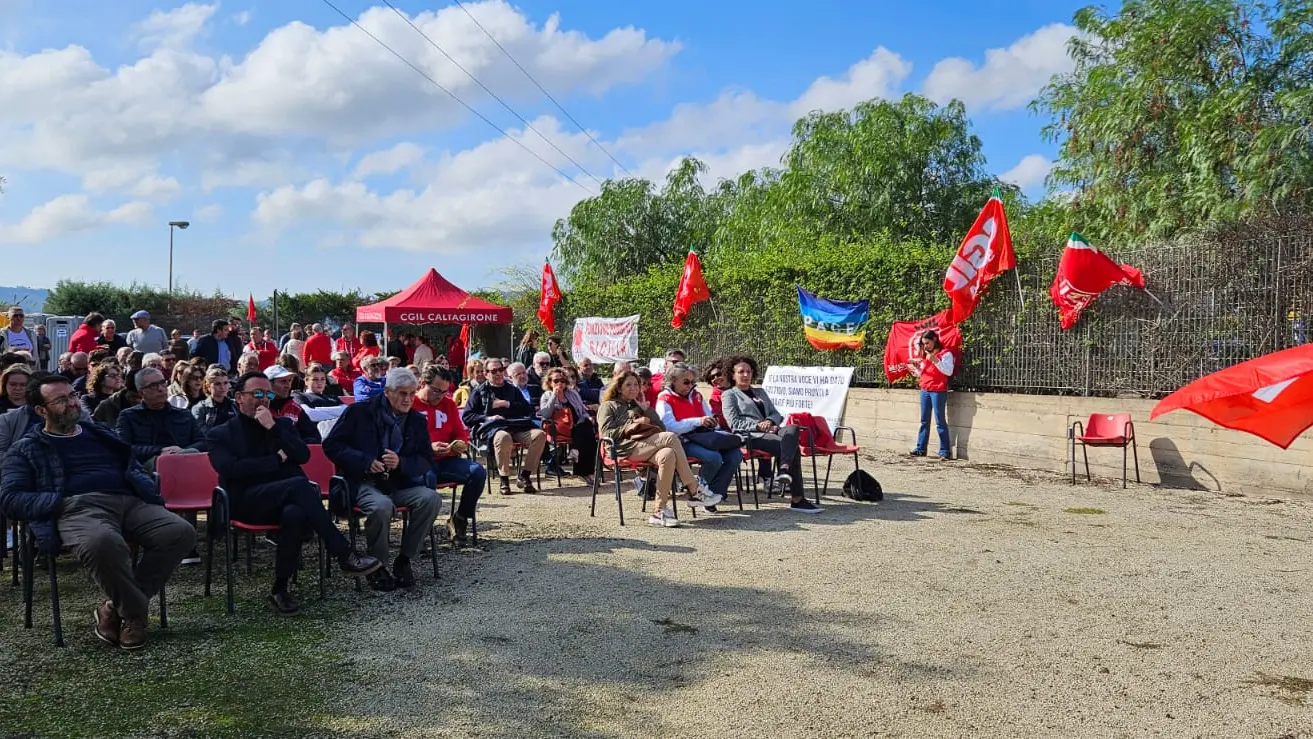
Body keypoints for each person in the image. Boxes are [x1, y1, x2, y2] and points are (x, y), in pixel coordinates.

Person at [0, 374, 195, 649]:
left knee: (180, 532)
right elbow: (10, 498)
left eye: (72, 396)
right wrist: (56, 502)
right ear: (41, 411)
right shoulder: (26, 449)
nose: (71, 404)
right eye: (61, 400)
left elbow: (131, 464)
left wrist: (142, 484)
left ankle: (114, 609)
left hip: (129, 500)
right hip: (78, 507)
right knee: (103, 543)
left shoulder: (101, 433)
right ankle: (134, 615)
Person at [208, 372, 382, 614]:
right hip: (246, 502)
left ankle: (280, 588)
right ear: (239, 397)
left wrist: (272, 428)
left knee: (295, 514)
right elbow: (231, 469)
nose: (264, 400)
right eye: (256, 394)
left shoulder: (280, 426)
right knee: (300, 485)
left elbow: (303, 455)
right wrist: (275, 460)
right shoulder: (221, 433)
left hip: (285, 499)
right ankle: (344, 553)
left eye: (268, 394)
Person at [323, 368, 441, 592]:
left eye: (412, 393)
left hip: (397, 482)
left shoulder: (415, 420)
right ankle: (376, 565)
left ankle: (404, 559)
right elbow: (332, 445)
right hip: (363, 481)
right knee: (381, 506)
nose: (408, 399)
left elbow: (426, 459)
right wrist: (364, 460)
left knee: (431, 499)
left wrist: (402, 462)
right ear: (387, 392)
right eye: (402, 393)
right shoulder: (359, 411)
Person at [596, 372, 721, 527]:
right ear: (619, 388)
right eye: (628, 385)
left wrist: (646, 410)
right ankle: (694, 490)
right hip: (622, 449)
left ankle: (658, 511)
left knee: (667, 454)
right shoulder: (608, 406)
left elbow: (661, 427)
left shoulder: (637, 405)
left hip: (644, 445)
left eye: (636, 384)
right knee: (670, 437)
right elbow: (606, 433)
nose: (634, 388)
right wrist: (630, 425)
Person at [722, 355, 822, 513]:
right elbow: (734, 423)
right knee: (792, 448)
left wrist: (770, 422)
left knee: (793, 428)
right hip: (750, 436)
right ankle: (796, 497)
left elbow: (776, 413)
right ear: (732, 375)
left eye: (749, 371)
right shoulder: (729, 395)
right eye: (741, 372)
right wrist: (759, 426)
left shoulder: (760, 392)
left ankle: (784, 470)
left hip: (771, 429)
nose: (746, 375)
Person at [656, 362, 744, 509]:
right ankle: (698, 493)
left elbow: (708, 417)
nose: (690, 385)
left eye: (692, 382)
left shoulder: (696, 395)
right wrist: (697, 421)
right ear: (673, 381)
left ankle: (711, 495)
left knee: (736, 455)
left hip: (704, 437)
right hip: (682, 441)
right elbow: (669, 427)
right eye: (686, 382)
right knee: (713, 458)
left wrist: (711, 422)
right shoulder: (664, 398)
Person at [413, 366, 483, 547]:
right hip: (419, 461)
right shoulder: (410, 404)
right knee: (426, 478)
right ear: (422, 384)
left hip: (446, 460)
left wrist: (459, 443)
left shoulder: (448, 404)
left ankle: (460, 518)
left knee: (477, 472)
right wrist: (429, 448)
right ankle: (419, 532)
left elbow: (461, 433)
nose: (440, 396)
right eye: (436, 390)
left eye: (444, 391)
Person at [461, 358, 546, 495]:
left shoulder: (512, 389)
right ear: (486, 373)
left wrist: (507, 404)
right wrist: (488, 418)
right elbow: (467, 416)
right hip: (494, 428)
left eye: (501, 370)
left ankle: (524, 476)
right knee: (503, 437)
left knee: (540, 435)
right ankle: (504, 479)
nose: (498, 373)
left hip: (516, 426)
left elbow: (527, 409)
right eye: (494, 371)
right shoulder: (479, 391)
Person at [115, 368, 208, 473]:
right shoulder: (129, 417)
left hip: (185, 460)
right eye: (153, 386)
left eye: (163, 383)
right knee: (166, 462)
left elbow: (202, 442)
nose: (161, 389)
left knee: (194, 453)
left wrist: (181, 451)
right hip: (148, 467)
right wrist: (159, 451)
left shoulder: (183, 414)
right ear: (141, 392)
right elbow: (123, 448)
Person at [538, 367, 596, 485]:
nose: (560, 383)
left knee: (587, 429)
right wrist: (554, 396)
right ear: (549, 382)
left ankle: (579, 460)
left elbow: (582, 410)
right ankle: (584, 472)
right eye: (556, 381)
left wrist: (588, 416)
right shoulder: (546, 396)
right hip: (559, 428)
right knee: (586, 433)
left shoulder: (572, 393)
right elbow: (545, 414)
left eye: (563, 380)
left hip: (578, 425)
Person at [910, 330, 956, 460]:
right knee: (924, 421)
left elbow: (948, 371)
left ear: (934, 340)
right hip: (925, 389)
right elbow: (925, 373)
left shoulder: (945, 353)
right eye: (923, 344)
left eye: (927, 343)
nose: (925, 346)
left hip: (938, 391)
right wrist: (916, 369)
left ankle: (944, 451)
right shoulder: (926, 355)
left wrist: (935, 360)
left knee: (940, 421)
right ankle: (920, 448)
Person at [263, 365, 321, 443]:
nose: (288, 386)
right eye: (283, 381)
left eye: (289, 381)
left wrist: (296, 445)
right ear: (268, 384)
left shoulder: (296, 408)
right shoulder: (258, 406)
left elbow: (314, 436)